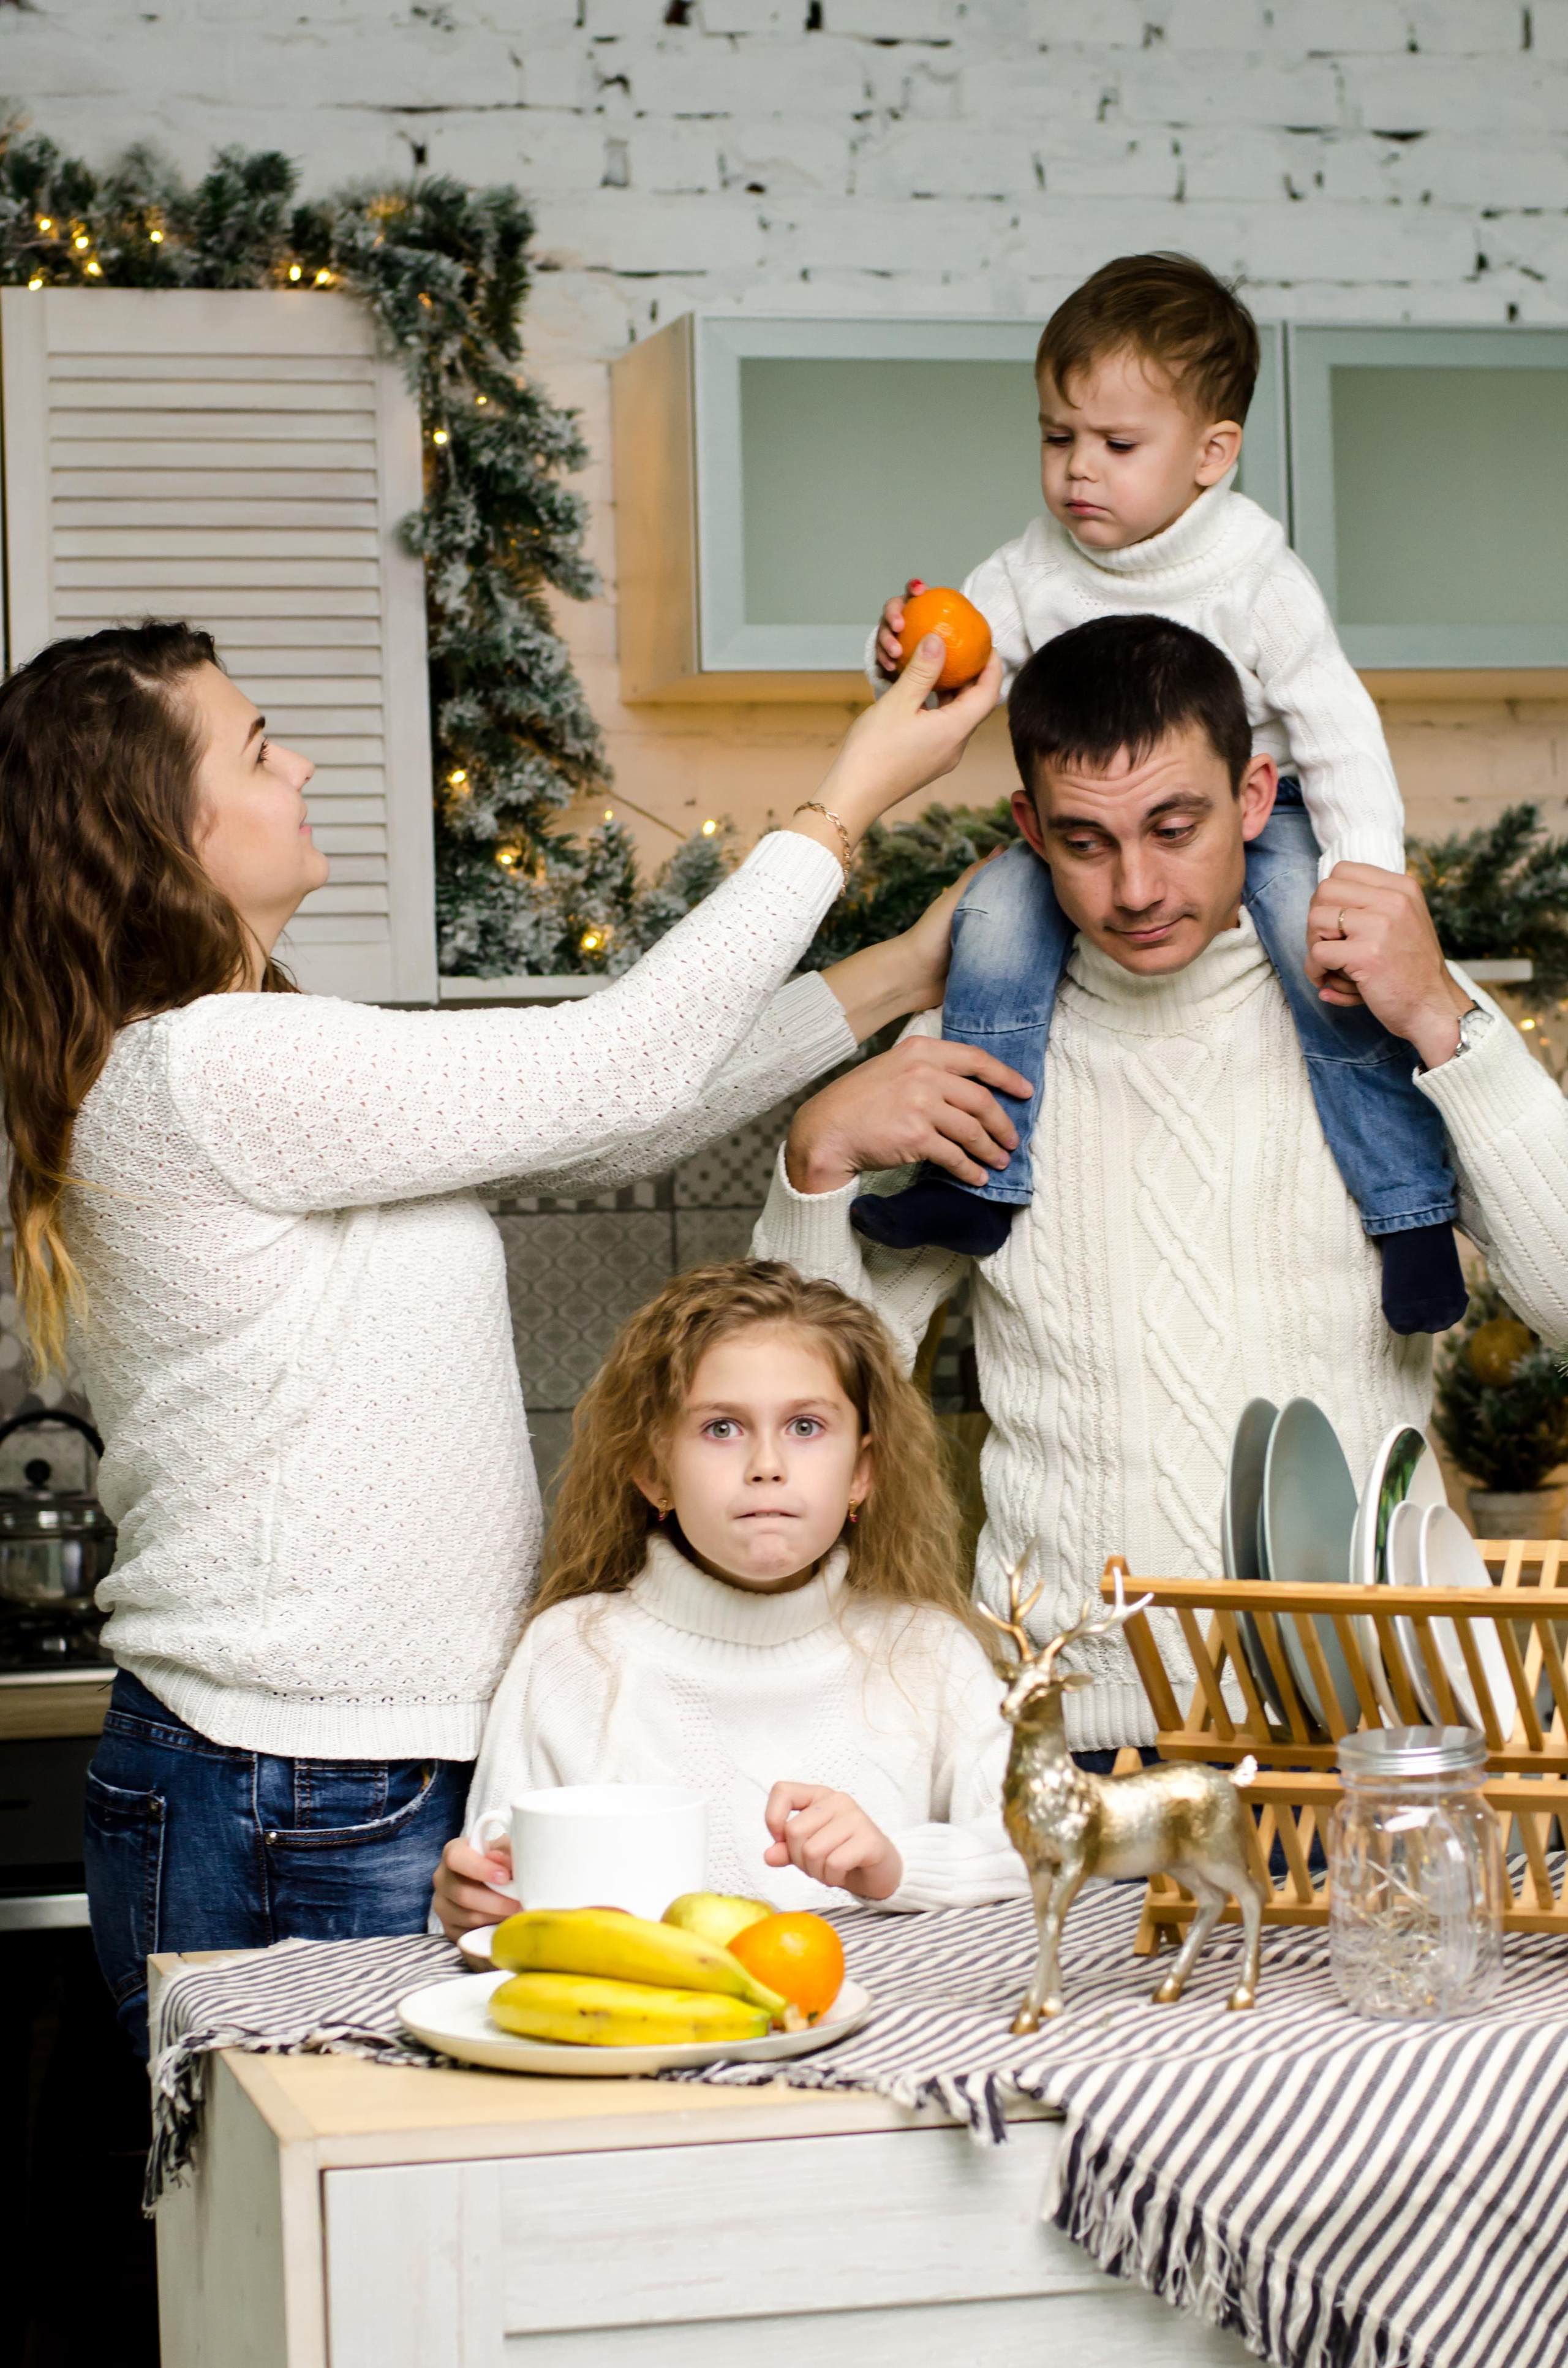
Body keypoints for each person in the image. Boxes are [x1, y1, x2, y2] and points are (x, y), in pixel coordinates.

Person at [0, 619, 1000, 2051]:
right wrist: (839, 812)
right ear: (159, 828)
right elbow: (618, 1064)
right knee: (330, 2242)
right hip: (297, 1784)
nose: (302, 766)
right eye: (258, 746)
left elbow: (609, 1115)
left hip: (336, 1773)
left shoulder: (228, 1056)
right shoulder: (214, 1062)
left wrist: (897, 975)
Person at [753, 616, 1568, 1760]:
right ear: (1029, 830)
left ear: (1255, 797)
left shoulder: (1384, 1017)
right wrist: (815, 1161)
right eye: (1086, 842)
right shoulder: (981, 1051)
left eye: (1174, 828)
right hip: (1081, 1746)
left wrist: (1444, 1017)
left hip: (1381, 1733)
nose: (1136, 887)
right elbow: (809, 1400)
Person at [861, 252, 1463, 1340]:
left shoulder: (1254, 572)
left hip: (1261, 821)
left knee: (1323, 965)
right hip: (1100, 824)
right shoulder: (1034, 564)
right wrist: (911, 650)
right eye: (1057, 438)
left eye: (1117, 446)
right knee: (992, 923)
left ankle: (1409, 1211)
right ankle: (976, 1184)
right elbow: (966, 671)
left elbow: (1338, 730)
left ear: (1211, 455)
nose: (1077, 472)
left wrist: (1361, 869)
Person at [432, 1260, 1024, 1937]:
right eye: (721, 1428)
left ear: (861, 1472)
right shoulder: (570, 1653)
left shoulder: (927, 1649)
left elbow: (1040, 1848)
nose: (766, 1464)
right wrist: (475, 1902)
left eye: (805, 1427)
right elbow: (497, 1891)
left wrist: (896, 1865)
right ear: (654, 1470)